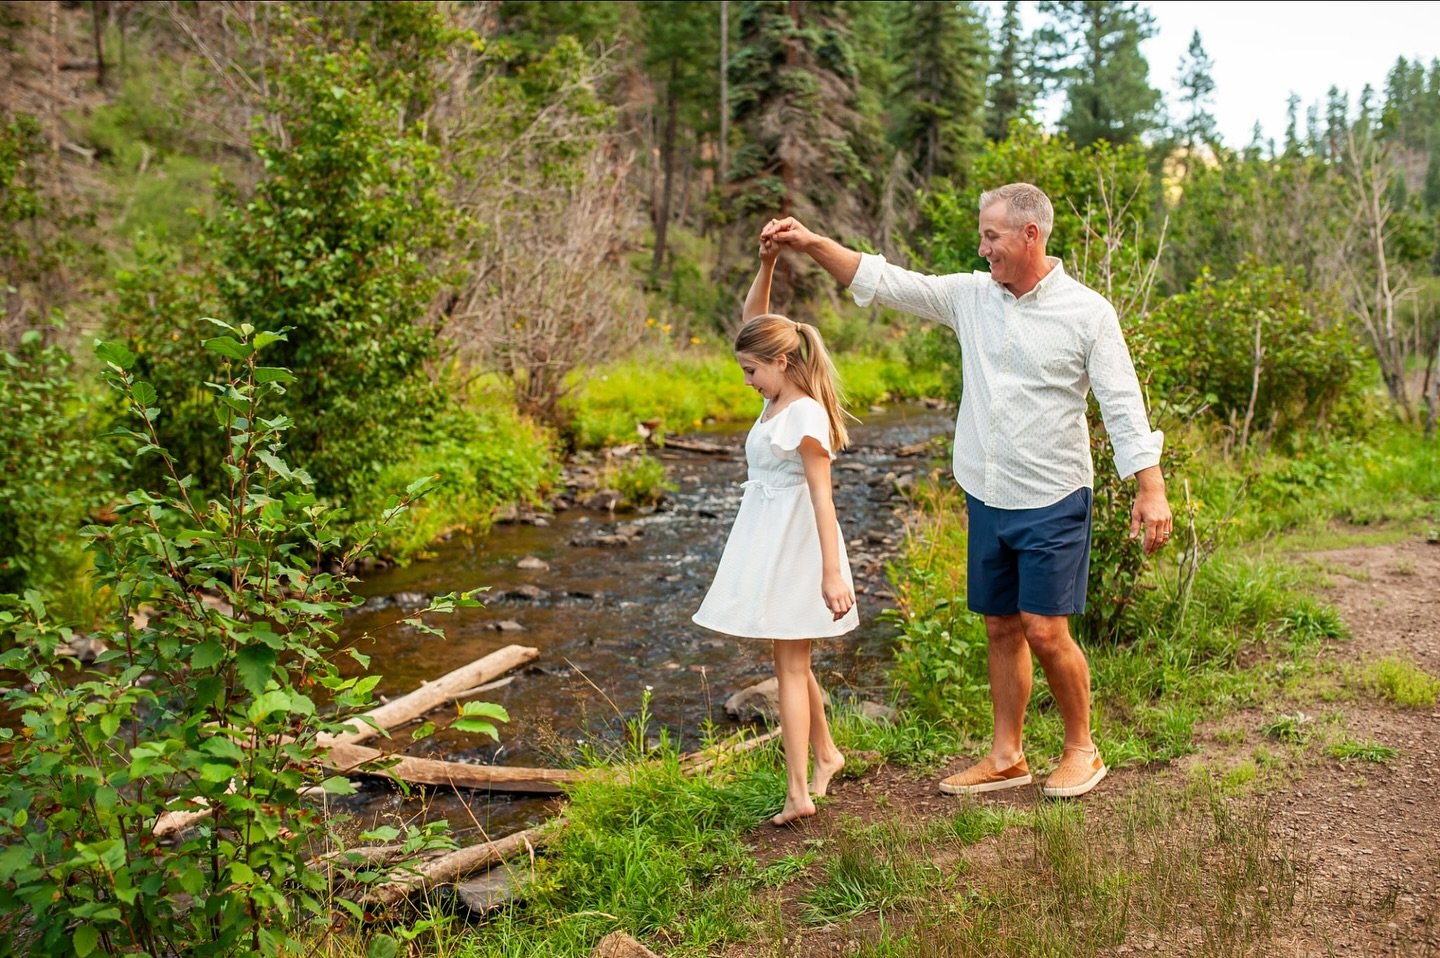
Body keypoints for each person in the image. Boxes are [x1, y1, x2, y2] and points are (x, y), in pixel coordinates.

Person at [761, 182, 1173, 799]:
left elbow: (1121, 403)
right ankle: (1007, 755)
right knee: (1001, 626)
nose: (982, 249)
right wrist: (812, 242)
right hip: (986, 490)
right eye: (982, 235)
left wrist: (1151, 486)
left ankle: (1081, 749)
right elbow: (886, 280)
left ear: (1030, 235)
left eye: (991, 236)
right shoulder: (970, 298)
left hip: (1054, 493)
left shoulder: (1088, 313)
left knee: (1044, 627)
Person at [692, 238, 859, 826]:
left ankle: (798, 793)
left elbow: (822, 496)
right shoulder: (774, 394)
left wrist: (832, 572)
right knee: (792, 659)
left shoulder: (806, 414)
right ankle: (827, 754)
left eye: (751, 371)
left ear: (781, 364)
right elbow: (752, 324)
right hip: (769, 538)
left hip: (798, 547)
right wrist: (763, 263)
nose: (746, 381)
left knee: (789, 664)